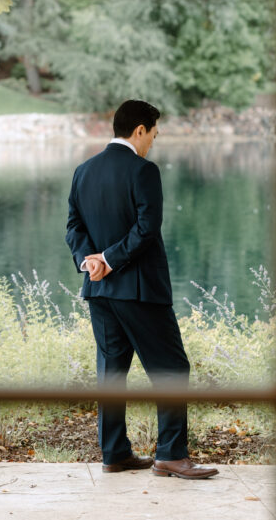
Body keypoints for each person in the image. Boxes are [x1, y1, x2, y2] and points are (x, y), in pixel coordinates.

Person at [65, 99, 218, 479]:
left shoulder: (84, 171)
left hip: (99, 291)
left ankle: (114, 454)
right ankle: (170, 454)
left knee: (111, 373)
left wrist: (91, 261)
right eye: (153, 133)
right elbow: (146, 230)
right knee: (171, 368)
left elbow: (73, 228)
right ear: (139, 131)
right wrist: (110, 259)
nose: (153, 140)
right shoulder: (143, 170)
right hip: (140, 292)